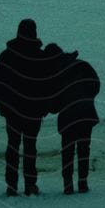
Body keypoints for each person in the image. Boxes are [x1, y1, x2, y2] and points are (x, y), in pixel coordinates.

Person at [0, 18, 53, 195]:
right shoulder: (40, 56)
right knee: (30, 149)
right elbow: (48, 85)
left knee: (13, 147)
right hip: (33, 112)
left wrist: (2, 108)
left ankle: (12, 185)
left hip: (13, 112)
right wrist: (45, 107)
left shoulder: (7, 55)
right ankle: (30, 185)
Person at [41, 44, 100, 194]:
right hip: (86, 113)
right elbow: (95, 84)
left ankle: (68, 185)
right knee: (84, 149)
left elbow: (53, 104)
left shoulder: (54, 73)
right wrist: (87, 98)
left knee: (67, 150)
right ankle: (83, 183)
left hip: (68, 116)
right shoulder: (82, 64)